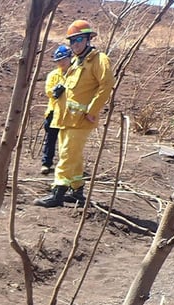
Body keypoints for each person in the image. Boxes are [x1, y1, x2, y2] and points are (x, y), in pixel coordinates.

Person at [34, 20, 114, 208]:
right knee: (72, 155)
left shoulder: (99, 60)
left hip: (82, 120)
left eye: (79, 39)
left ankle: (57, 193)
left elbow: (107, 85)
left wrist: (93, 110)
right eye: (72, 41)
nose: (75, 44)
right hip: (65, 119)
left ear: (88, 39)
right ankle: (77, 190)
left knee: (67, 156)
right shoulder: (76, 63)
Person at [40, 45, 72, 175]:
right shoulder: (53, 75)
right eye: (59, 61)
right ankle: (46, 163)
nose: (61, 63)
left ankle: (65, 165)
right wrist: (56, 91)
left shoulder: (76, 73)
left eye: (64, 59)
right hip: (54, 112)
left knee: (67, 140)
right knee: (51, 138)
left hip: (70, 112)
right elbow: (48, 91)